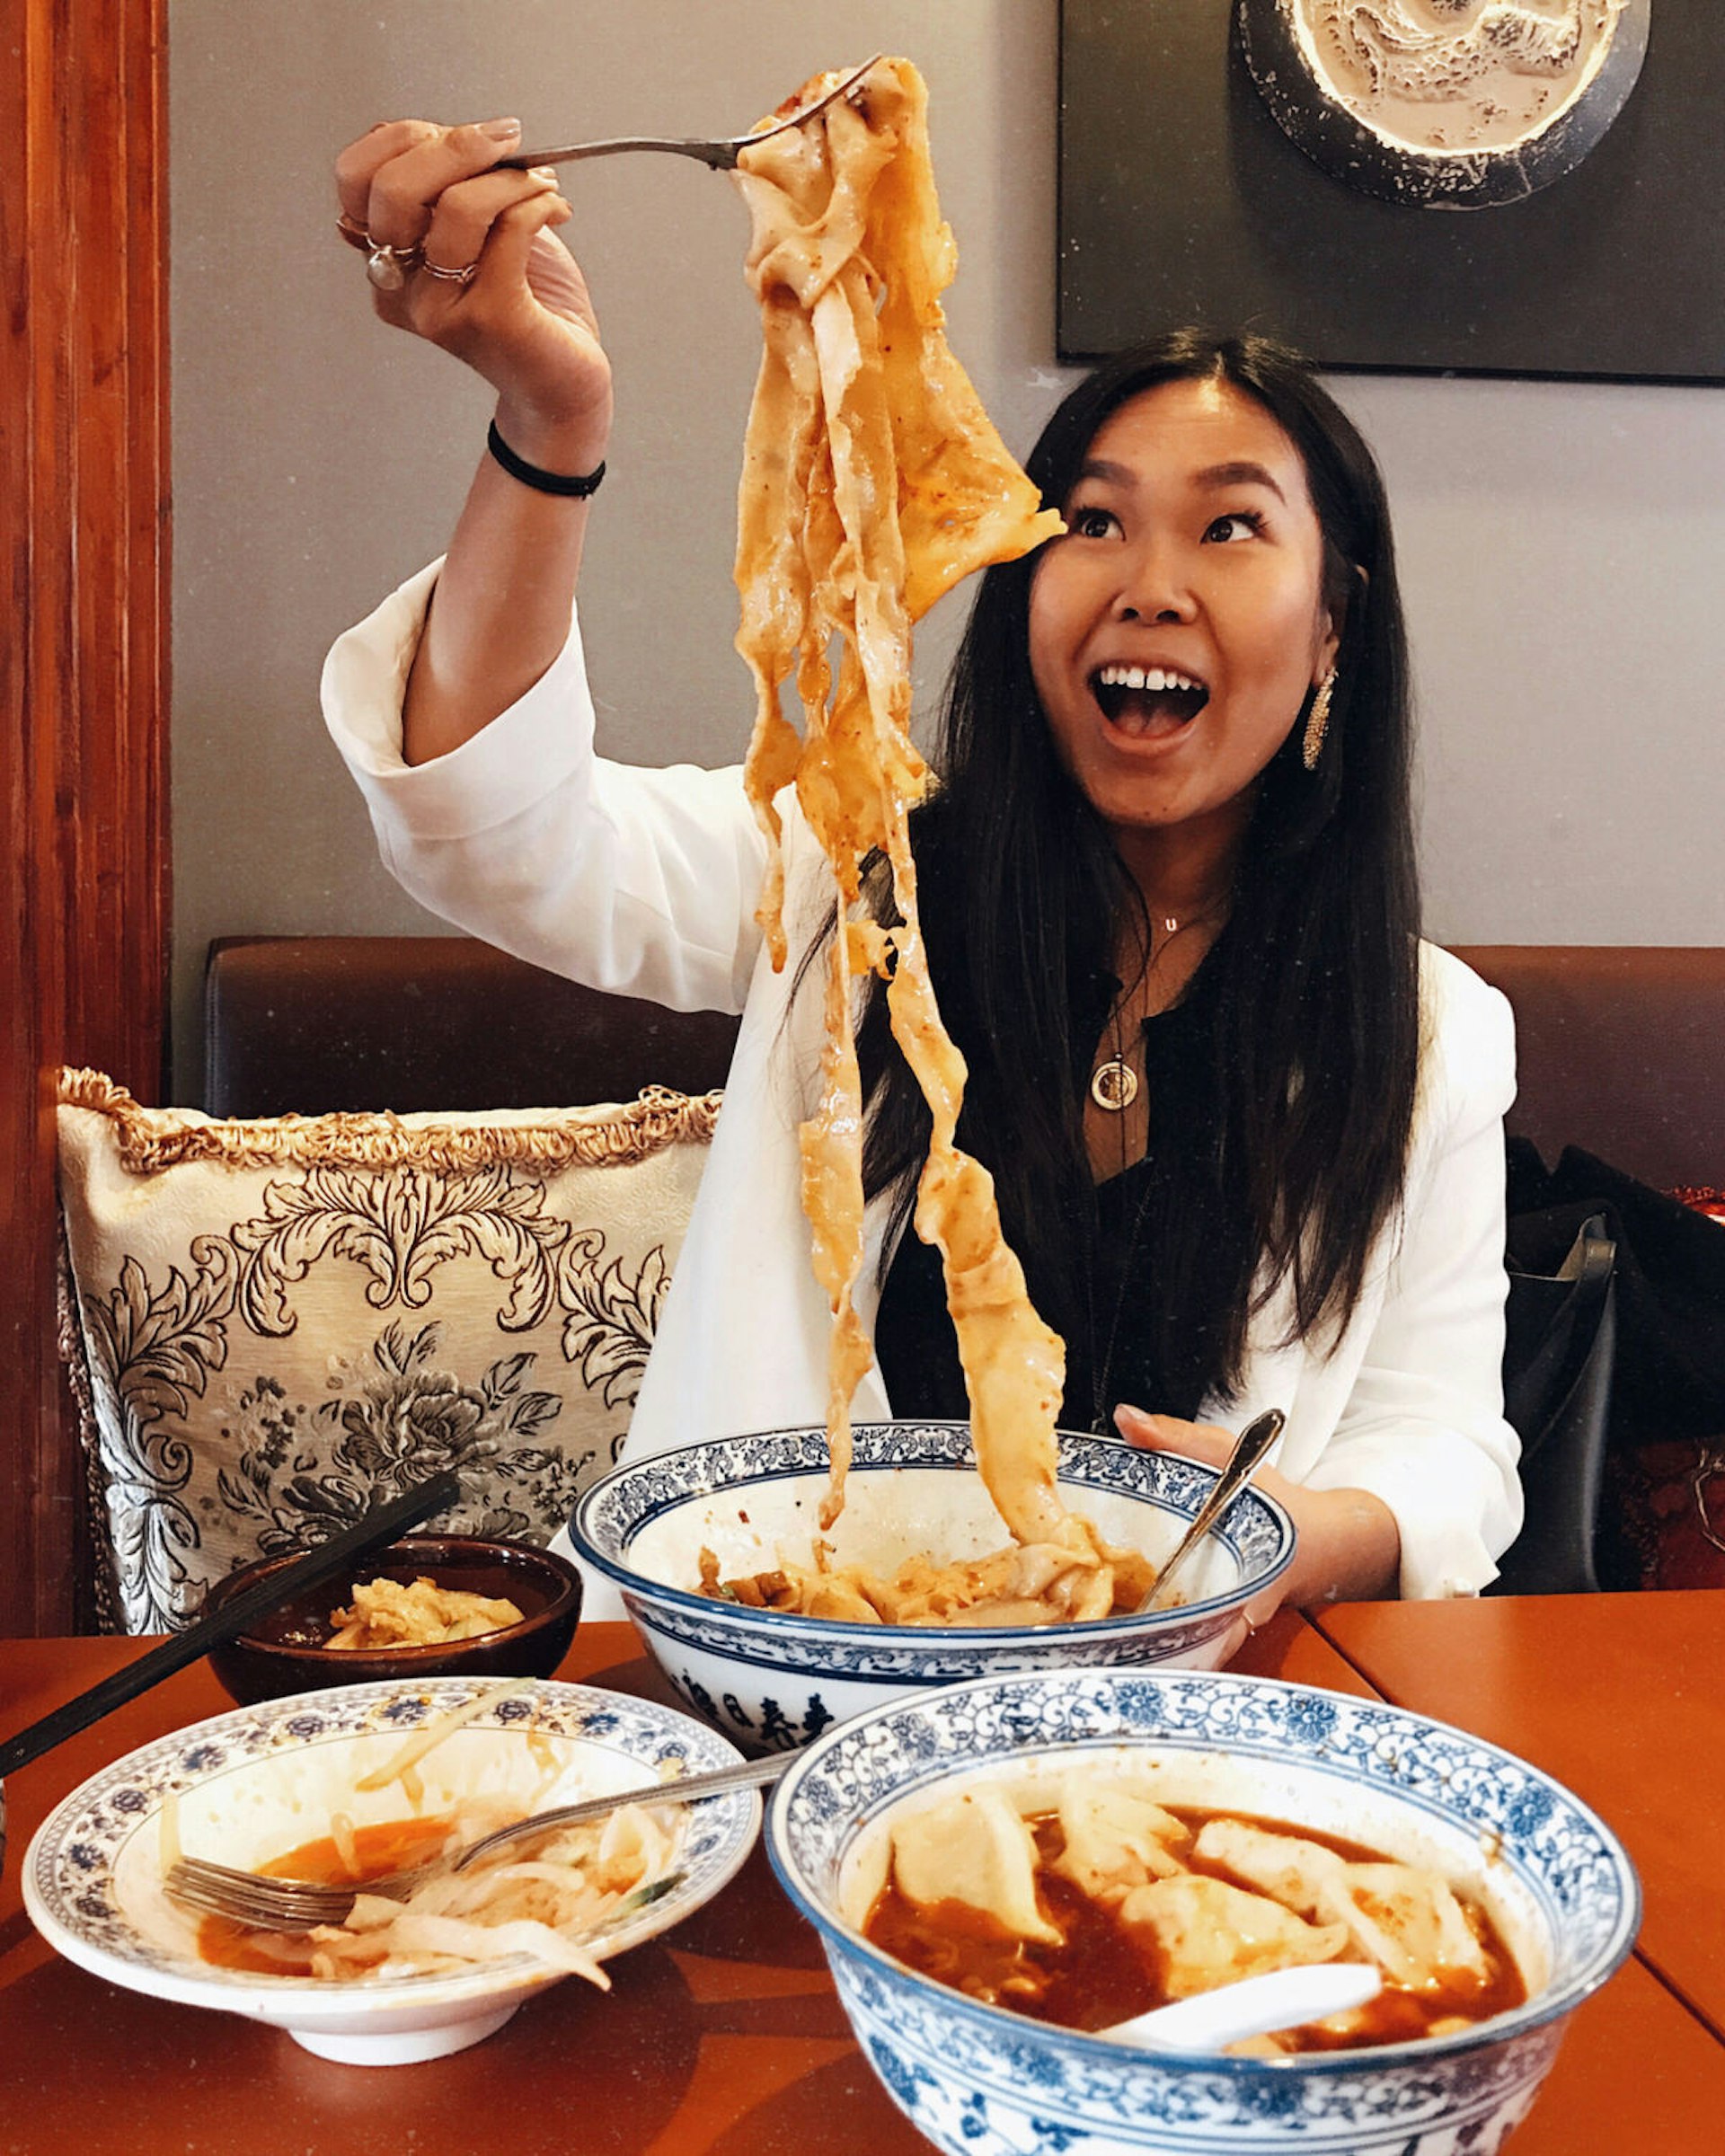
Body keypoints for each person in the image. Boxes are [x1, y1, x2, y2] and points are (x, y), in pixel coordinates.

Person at [323, 118, 1522, 1621]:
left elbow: (1444, 1442)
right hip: (776, 1675)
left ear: (1335, 625)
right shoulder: (845, 883)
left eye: (1230, 527)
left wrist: (1310, 1530)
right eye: (1089, 522)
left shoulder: (1428, 1035)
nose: (1149, 586)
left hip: (1179, 1718)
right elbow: (499, 836)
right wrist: (549, 422)